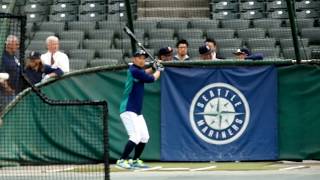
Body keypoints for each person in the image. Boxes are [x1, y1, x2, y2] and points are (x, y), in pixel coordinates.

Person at [117, 50, 163, 169]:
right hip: (128, 109)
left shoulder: (137, 72)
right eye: (139, 57)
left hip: (136, 111)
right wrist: (159, 70)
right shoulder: (133, 70)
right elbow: (151, 79)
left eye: (144, 58)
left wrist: (153, 67)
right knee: (135, 137)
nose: (142, 60)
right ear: (134, 59)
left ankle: (135, 160)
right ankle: (122, 160)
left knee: (144, 136)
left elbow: (145, 73)